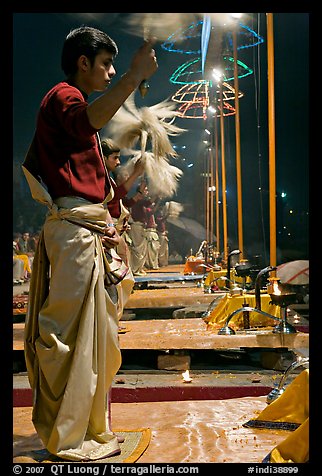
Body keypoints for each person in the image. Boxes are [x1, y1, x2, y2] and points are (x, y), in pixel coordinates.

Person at [22, 25, 158, 461]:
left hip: (89, 231)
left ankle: (89, 428)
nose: (111, 71)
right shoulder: (65, 96)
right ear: (83, 62)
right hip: (75, 233)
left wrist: (109, 225)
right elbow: (87, 121)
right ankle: (68, 434)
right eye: (106, 64)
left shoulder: (74, 104)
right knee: (68, 337)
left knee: (97, 340)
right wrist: (133, 78)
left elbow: (99, 181)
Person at [100, 138, 146, 267]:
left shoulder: (108, 179)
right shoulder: (100, 178)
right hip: (109, 231)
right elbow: (117, 196)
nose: (118, 162)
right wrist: (136, 173)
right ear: (103, 158)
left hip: (115, 228)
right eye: (115, 158)